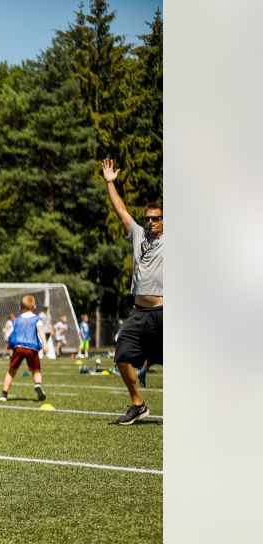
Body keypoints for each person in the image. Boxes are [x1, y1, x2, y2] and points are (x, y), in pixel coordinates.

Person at [102, 158, 162, 425]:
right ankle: (138, 405)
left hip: (164, 312)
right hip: (139, 312)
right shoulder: (138, 234)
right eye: (148, 218)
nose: (151, 223)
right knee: (122, 355)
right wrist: (110, 183)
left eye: (156, 219)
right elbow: (122, 210)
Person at [0, 295, 47, 403]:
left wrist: (9, 343)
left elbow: (9, 334)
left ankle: (4, 394)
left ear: (20, 307)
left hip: (18, 347)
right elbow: (41, 330)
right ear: (34, 306)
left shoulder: (16, 320)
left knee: (11, 371)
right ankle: (38, 385)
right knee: (36, 370)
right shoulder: (36, 319)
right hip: (32, 348)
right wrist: (45, 344)